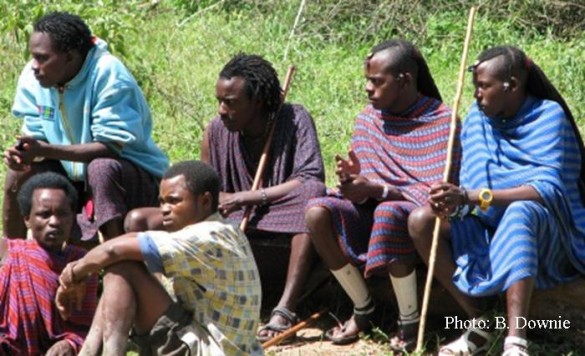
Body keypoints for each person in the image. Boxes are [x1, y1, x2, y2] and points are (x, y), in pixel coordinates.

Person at [126, 54, 326, 343]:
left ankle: (284, 308)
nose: (221, 110)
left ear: (257, 101)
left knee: (312, 199)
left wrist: (247, 197)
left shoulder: (294, 119)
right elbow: (206, 190)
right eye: (219, 100)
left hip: (281, 215)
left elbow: (310, 179)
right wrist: (221, 201)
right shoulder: (216, 131)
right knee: (139, 219)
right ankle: (160, 309)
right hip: (228, 222)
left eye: (230, 102)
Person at [408, 45, 585, 355]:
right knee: (421, 221)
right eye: (475, 85)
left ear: (512, 85)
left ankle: (516, 341)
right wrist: (454, 201)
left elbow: (547, 189)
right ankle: (481, 322)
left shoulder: (547, 116)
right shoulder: (477, 119)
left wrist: (473, 196)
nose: (476, 94)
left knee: (520, 213)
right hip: (485, 222)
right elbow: (471, 185)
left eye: (484, 86)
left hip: (546, 231)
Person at [304, 39, 460, 350]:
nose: (367, 88)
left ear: (404, 81)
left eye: (376, 81)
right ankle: (363, 307)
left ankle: (409, 320)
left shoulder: (442, 120)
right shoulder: (368, 118)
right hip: (368, 211)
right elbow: (363, 185)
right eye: (367, 80)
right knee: (316, 212)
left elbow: (437, 193)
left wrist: (381, 190)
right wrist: (352, 183)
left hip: (416, 221)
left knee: (388, 212)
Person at [56, 160, 263, 355]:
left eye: (174, 201)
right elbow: (128, 240)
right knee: (121, 261)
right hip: (214, 343)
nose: (164, 210)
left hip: (207, 349)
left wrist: (72, 274)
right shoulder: (223, 229)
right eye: (162, 202)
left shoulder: (205, 236)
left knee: (123, 266)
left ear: (205, 201)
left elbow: (113, 251)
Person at [2, 11, 169, 245]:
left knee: (101, 169)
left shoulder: (107, 74)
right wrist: (25, 152)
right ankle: (13, 262)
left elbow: (110, 148)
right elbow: (37, 136)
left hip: (129, 179)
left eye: (42, 58)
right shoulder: (34, 79)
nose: (34, 66)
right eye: (33, 57)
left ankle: (117, 260)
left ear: (70, 57)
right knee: (19, 173)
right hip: (74, 178)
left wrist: (44, 150)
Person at [0, 172, 98, 355]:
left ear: (72, 218)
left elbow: (86, 327)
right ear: (27, 219)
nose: (54, 222)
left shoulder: (83, 264)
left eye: (62, 214)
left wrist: (69, 344)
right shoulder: (6, 252)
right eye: (44, 214)